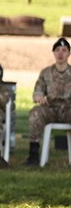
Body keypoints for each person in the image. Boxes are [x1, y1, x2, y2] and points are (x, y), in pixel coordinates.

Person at [24, 37, 71, 166]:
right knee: (35, 113)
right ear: (53, 53)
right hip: (50, 109)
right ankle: (33, 154)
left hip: (68, 109)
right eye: (57, 50)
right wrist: (38, 96)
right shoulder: (46, 73)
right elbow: (38, 90)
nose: (60, 53)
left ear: (69, 53)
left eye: (64, 50)